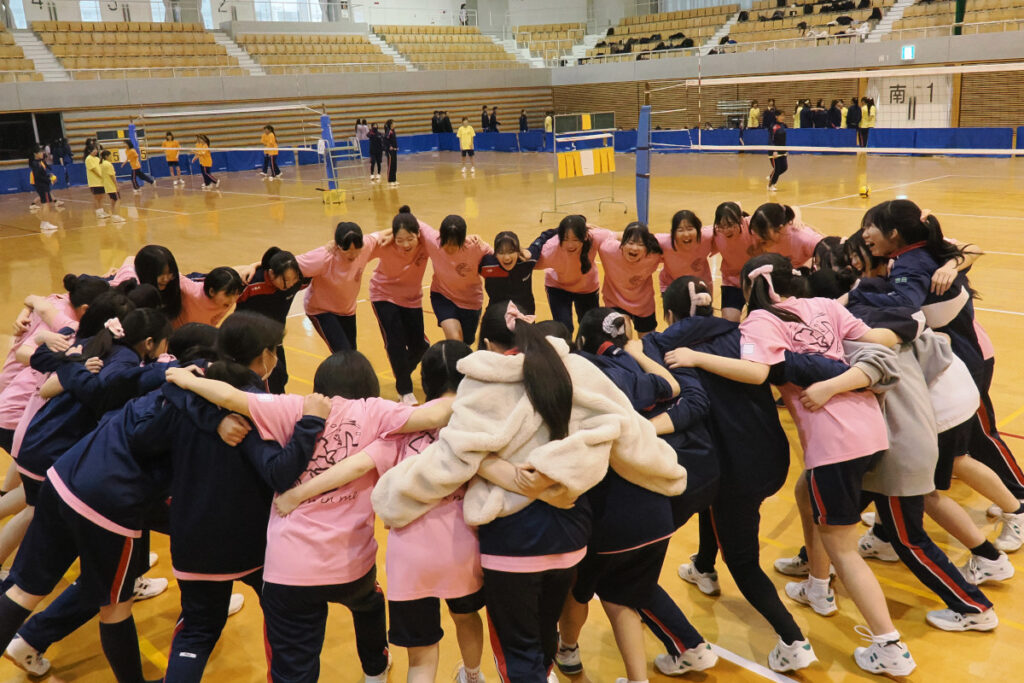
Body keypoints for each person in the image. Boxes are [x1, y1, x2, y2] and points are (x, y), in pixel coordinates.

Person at [371, 301, 686, 683]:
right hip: (570, 533)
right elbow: (623, 428)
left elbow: (453, 457)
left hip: (512, 541)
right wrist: (664, 471)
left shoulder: (483, 382)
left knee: (519, 654)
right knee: (544, 640)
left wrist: (393, 495)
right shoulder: (572, 368)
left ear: (489, 343)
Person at [665, 254, 916, 677]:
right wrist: (915, 321)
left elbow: (756, 372)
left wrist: (696, 357)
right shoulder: (826, 305)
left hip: (833, 439)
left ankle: (889, 645)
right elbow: (877, 340)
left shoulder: (760, 321)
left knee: (843, 548)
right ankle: (817, 587)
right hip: (871, 426)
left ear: (751, 289)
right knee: (805, 496)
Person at [164, 350, 453, 683]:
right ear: (369, 386)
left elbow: (229, 397)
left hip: (289, 569)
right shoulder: (376, 411)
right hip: (350, 565)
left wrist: (182, 378)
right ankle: (375, 669)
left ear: (320, 386)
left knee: (294, 670)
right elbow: (437, 413)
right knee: (369, 603)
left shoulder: (294, 407)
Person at [271, 341, 485, 683]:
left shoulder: (398, 424)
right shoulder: (478, 425)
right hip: (462, 548)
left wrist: (298, 494)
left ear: (425, 380)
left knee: (421, 657)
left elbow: (356, 465)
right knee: (466, 617)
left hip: (411, 555)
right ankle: (473, 676)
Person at [648, 276, 817, 672]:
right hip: (771, 455)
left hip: (734, 471)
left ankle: (793, 640)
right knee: (713, 503)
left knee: (742, 560)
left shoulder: (667, 348)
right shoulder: (740, 331)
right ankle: (704, 567)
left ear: (669, 314)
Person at [157, 313, 329, 682]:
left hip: (191, 534)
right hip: (252, 539)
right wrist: (310, 426)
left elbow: (165, 389)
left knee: (197, 631)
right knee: (286, 623)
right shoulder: (263, 407)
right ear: (265, 355)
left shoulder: (188, 389)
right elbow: (280, 471)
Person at [563, 308, 719, 681]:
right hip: (675, 485)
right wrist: (640, 355)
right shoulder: (651, 362)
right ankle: (680, 650)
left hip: (621, 505)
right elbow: (682, 392)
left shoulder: (587, 379)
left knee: (595, 588)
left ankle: (567, 651)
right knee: (627, 587)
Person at [370, 206, 431, 404]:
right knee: (395, 342)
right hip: (383, 295)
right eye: (400, 239)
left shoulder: (426, 243)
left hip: (411, 298)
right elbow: (361, 244)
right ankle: (404, 390)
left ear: (418, 234)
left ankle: (401, 373)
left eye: (410, 239)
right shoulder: (384, 244)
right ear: (393, 237)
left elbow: (441, 237)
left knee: (419, 347)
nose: (405, 244)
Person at [297, 222, 385, 354]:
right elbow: (289, 263)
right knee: (344, 353)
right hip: (321, 310)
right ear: (337, 246)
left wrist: (414, 224)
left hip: (347, 310)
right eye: (347, 251)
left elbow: (386, 233)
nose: (353, 255)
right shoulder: (323, 256)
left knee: (351, 354)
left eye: (356, 250)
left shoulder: (365, 246)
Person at [234, 248, 307, 393]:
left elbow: (320, 260)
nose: (291, 284)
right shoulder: (251, 282)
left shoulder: (297, 280)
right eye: (286, 280)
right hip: (250, 340)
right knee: (268, 381)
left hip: (275, 339)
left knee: (281, 376)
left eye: (294, 279)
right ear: (272, 273)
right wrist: (250, 267)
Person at [535, 215, 615, 336]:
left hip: (587, 288)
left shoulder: (594, 236)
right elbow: (528, 262)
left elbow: (620, 236)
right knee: (564, 329)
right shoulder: (550, 249)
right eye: (566, 239)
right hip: (558, 288)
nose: (570, 245)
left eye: (575, 239)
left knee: (590, 328)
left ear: (585, 236)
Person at [423, 215, 492, 345]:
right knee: (455, 340)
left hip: (471, 302)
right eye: (446, 244)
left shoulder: (476, 247)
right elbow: (411, 221)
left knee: (466, 343)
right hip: (442, 296)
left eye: (454, 245)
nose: (449, 249)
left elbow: (497, 259)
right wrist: (383, 235)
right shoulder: (433, 240)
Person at [597, 222, 663, 335]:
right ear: (622, 244)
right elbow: (599, 235)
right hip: (615, 302)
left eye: (640, 244)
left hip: (644, 305)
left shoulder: (654, 255)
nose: (634, 248)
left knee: (647, 342)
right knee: (623, 336)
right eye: (630, 242)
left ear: (647, 248)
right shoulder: (608, 249)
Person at [478, 228, 557, 315]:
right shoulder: (487, 265)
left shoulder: (527, 260)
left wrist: (565, 227)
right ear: (495, 254)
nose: (507, 257)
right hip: (497, 316)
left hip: (525, 315)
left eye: (511, 251)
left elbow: (542, 238)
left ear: (518, 251)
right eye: (501, 252)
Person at [710, 201, 757, 322]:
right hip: (732, 282)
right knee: (729, 323)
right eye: (722, 226)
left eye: (730, 225)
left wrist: (796, 215)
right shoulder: (715, 233)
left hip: (757, 280)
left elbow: (785, 212)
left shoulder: (753, 224)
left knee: (759, 321)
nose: (726, 230)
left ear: (741, 220)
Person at [656, 210, 714, 292]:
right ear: (673, 233)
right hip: (671, 285)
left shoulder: (707, 236)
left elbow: (723, 226)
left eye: (690, 229)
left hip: (700, 284)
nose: (686, 234)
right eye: (680, 230)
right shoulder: (663, 242)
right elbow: (643, 240)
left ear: (698, 230)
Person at [748, 203, 823, 266]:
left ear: (780, 228)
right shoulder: (757, 230)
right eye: (756, 231)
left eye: (763, 234)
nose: (758, 237)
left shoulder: (805, 238)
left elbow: (827, 254)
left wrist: (805, 268)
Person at [28, 146, 58, 232]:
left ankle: (44, 223)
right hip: (42, 186)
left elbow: (42, 174)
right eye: (40, 152)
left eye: (42, 152)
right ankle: (46, 223)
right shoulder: (36, 164)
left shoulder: (39, 162)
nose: (42, 154)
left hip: (42, 185)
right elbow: (38, 177)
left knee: (46, 204)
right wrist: (49, 179)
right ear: (35, 154)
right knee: (46, 205)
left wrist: (49, 175)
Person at [99, 150, 125, 224]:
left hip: (106, 185)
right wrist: (116, 185)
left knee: (113, 200)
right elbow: (112, 176)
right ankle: (116, 216)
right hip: (111, 185)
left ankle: (113, 215)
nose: (111, 157)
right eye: (110, 156)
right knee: (117, 200)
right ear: (106, 156)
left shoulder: (102, 164)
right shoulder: (108, 164)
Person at [85, 145, 107, 220]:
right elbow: (94, 170)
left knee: (101, 197)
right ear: (89, 150)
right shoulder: (88, 159)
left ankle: (101, 211)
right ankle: (98, 212)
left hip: (101, 181)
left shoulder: (97, 159)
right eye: (94, 149)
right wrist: (101, 176)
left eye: (96, 149)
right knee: (96, 197)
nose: (96, 151)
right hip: (94, 182)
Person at [767, 110, 788, 192]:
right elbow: (771, 139)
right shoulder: (773, 126)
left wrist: (785, 150)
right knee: (777, 169)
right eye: (781, 116)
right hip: (774, 151)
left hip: (782, 150)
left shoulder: (783, 125)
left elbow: (783, 139)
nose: (783, 117)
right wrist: (774, 150)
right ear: (776, 116)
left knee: (784, 168)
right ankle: (771, 185)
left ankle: (771, 177)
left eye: (783, 116)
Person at [384, 119, 399, 187]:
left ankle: (394, 180)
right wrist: (389, 146)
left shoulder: (393, 131)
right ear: (391, 124)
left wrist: (396, 147)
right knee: (390, 166)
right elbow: (385, 140)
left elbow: (394, 140)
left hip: (394, 151)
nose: (395, 124)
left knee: (394, 165)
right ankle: (390, 181)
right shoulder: (388, 131)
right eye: (394, 123)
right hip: (390, 152)